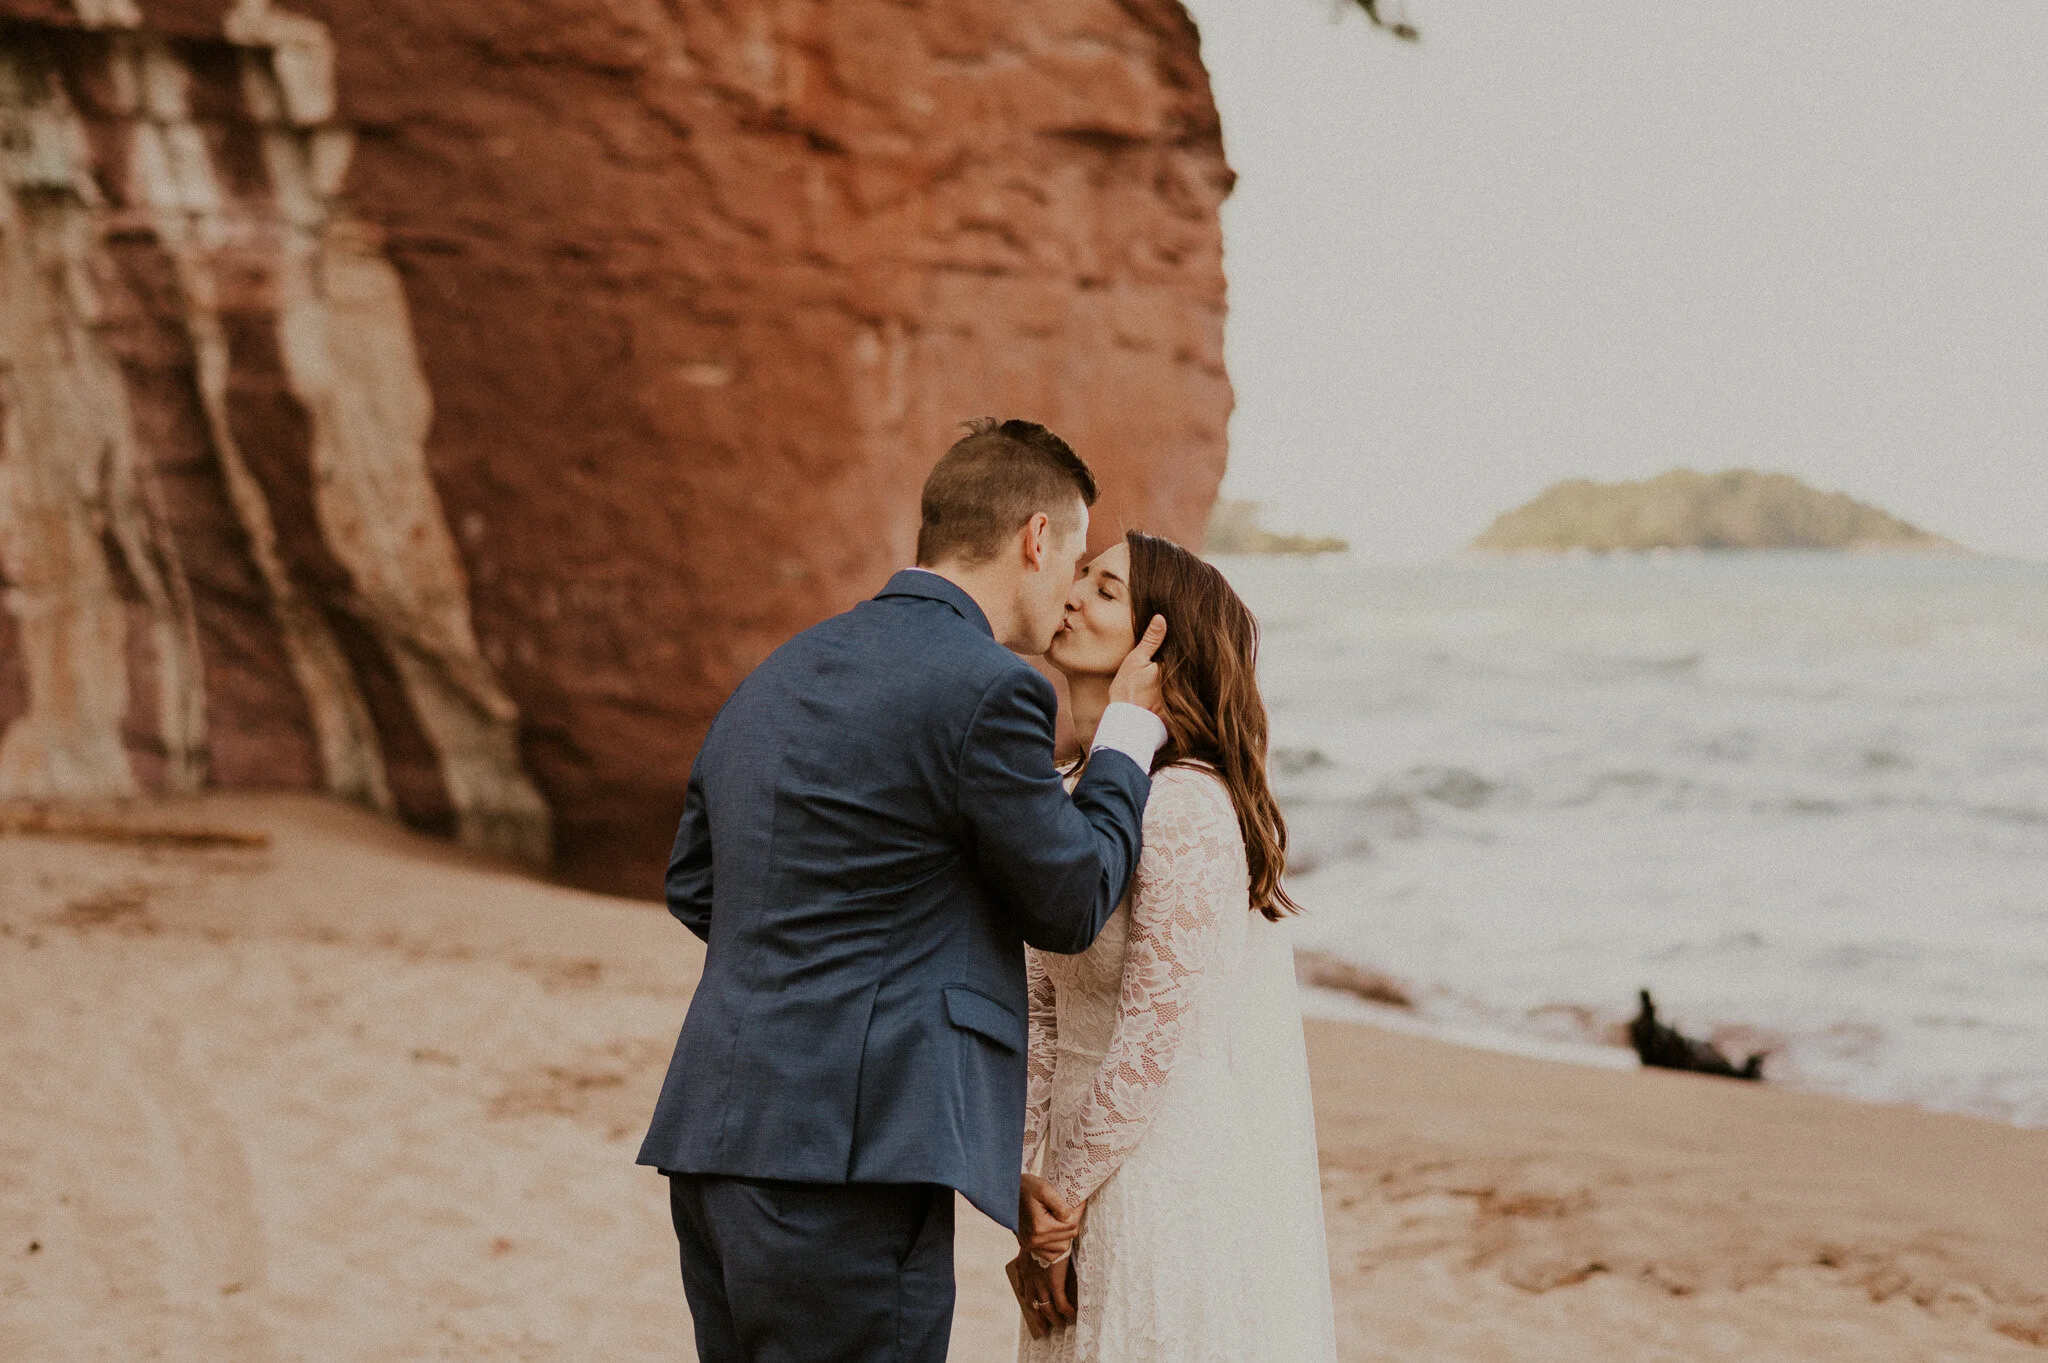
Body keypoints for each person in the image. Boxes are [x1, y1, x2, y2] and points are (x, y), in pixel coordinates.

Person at [636, 419, 1173, 1363]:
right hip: (851, 1163)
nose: (1069, 591)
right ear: (1035, 538)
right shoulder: (990, 688)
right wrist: (1128, 736)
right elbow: (1073, 899)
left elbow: (696, 885)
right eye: (1074, 557)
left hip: (715, 1136)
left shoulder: (779, 671)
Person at [1007, 531, 1338, 1363]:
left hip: (1159, 1170)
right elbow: (1040, 1008)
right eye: (1080, 575)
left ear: (1160, 645)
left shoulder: (1185, 806)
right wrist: (1021, 1182)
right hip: (1068, 1177)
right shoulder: (1065, 793)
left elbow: (1152, 1037)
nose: (1072, 593)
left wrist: (1062, 1203)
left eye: (1106, 589)